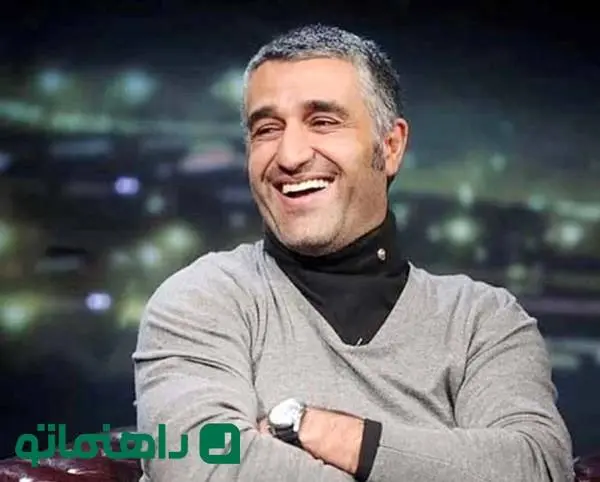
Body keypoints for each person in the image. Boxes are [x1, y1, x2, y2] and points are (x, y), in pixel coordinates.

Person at [133, 24, 574, 481]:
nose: (290, 156)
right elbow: (205, 465)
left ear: (391, 146)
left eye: (323, 121)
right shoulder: (201, 300)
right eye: (267, 129)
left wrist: (317, 429)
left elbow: (536, 468)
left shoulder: (483, 322)